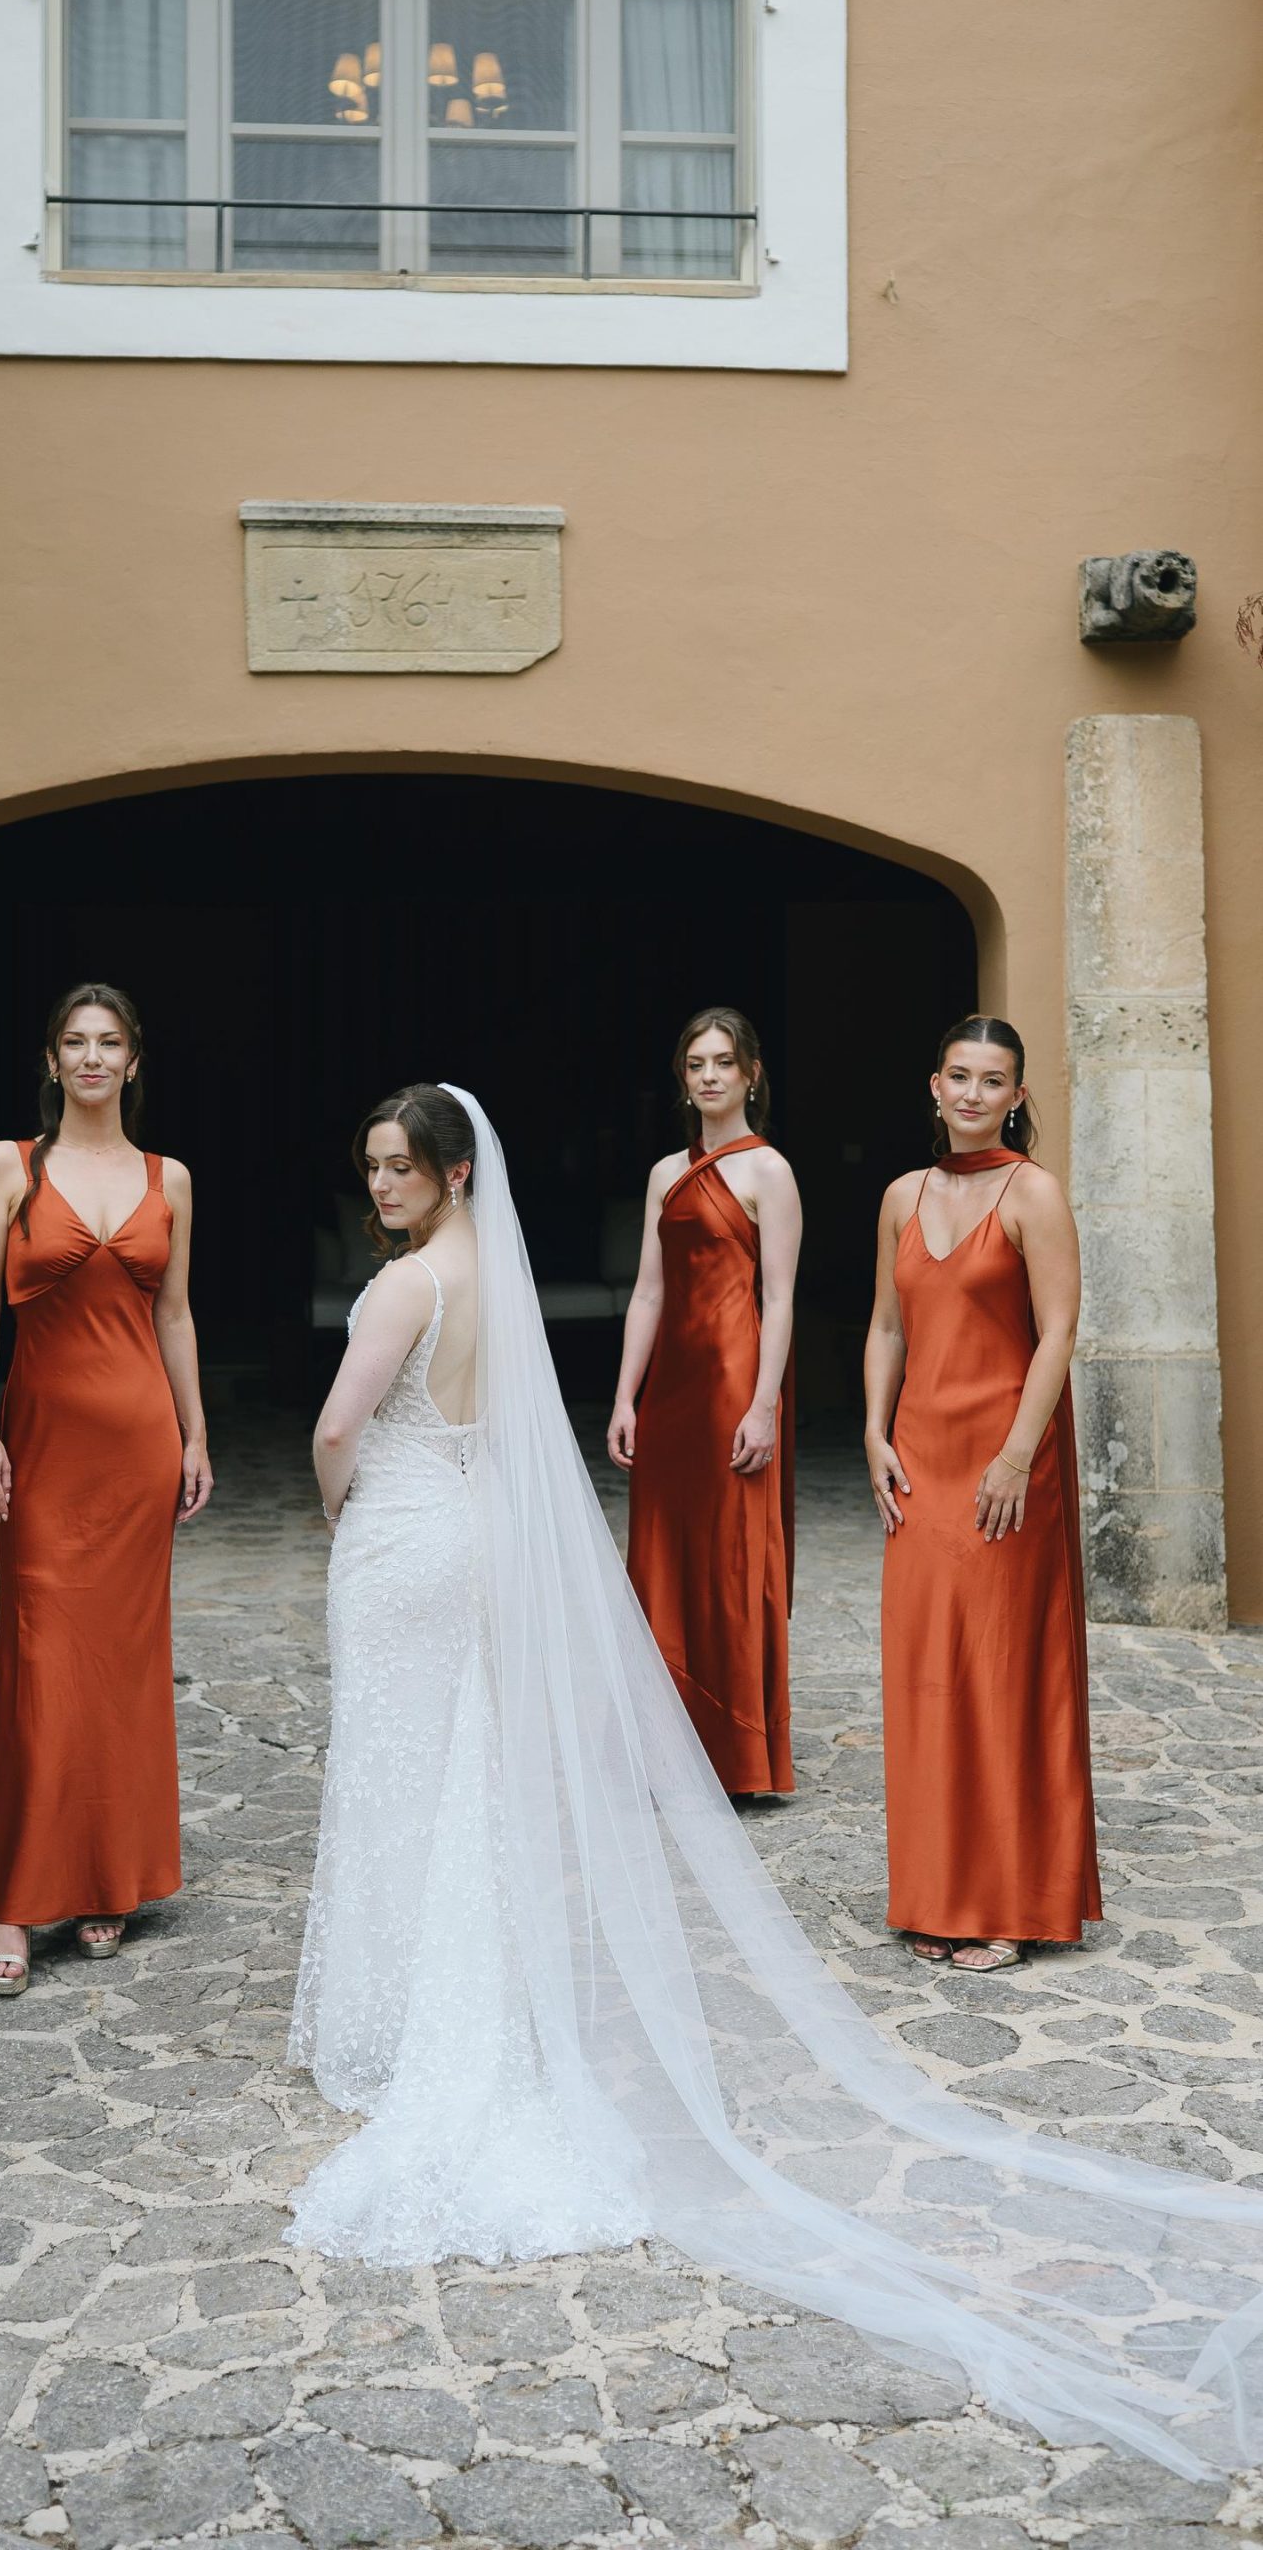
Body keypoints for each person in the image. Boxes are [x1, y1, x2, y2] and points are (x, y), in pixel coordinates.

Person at [288, 1075, 1263, 2473]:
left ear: (443, 1175)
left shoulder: (403, 1294)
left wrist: (347, 1507)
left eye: (390, 1164)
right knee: (456, 1779)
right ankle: (450, 1994)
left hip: (402, 1535)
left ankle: (399, 2014)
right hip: (471, 1531)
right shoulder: (493, 1283)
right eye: (367, 1163)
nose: (373, 1183)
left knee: (399, 1778)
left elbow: (334, 1434)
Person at [0, 983, 211, 1996]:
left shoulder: (171, 1178)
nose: (94, 1058)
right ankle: (17, 1900)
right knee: (38, 1655)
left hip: (139, 1447)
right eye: (76, 1042)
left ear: (134, 1061)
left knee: (121, 1662)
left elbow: (178, 1315)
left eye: (111, 1043)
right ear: (53, 1059)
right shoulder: (7, 1166)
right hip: (44, 1447)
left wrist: (196, 1433)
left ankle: (110, 1872)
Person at [864, 1014, 1099, 1972]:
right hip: (920, 1458)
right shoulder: (899, 1196)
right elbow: (886, 1325)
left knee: (1001, 1676)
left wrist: (1015, 1456)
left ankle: (1007, 1903)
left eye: (990, 1080)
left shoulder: (1032, 1194)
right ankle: (937, 1891)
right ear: (933, 1086)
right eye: (957, 1076)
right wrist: (873, 1432)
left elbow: (1057, 1331)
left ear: (1015, 1096)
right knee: (926, 1676)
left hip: (1008, 1462)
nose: (970, 1094)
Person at [610, 1008, 801, 1796]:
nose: (710, 1076)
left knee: (729, 1563)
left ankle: (736, 1756)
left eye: (724, 1061)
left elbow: (780, 1298)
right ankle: (664, 1747)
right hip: (673, 1397)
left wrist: (763, 1406)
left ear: (751, 1074)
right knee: (662, 1557)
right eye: (696, 1064)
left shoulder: (770, 1172)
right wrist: (626, 1397)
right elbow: (648, 1292)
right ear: (683, 1079)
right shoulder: (664, 1173)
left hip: (734, 1386)